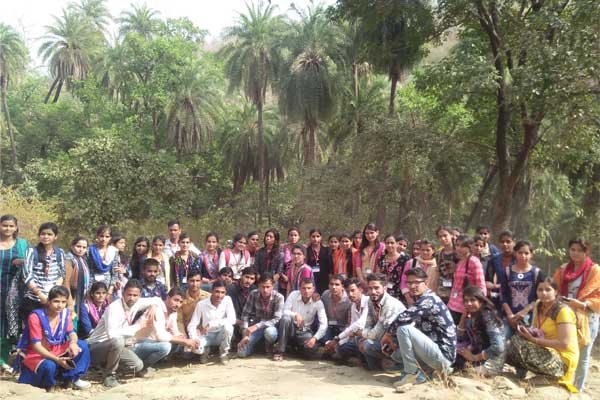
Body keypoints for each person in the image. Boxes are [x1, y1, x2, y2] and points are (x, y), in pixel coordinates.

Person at [380, 268, 456, 387]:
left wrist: (388, 334)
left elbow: (403, 318)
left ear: (425, 283)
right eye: (409, 283)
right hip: (432, 351)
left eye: (416, 282)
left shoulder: (429, 300)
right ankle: (425, 371)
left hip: (443, 356)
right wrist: (394, 340)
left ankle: (412, 374)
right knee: (395, 353)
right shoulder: (420, 299)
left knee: (403, 329)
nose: (412, 286)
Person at [87, 279, 168, 388]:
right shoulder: (114, 308)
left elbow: (157, 299)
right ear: (123, 293)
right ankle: (109, 375)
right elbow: (112, 335)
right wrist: (138, 326)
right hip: (97, 347)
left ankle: (108, 367)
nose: (132, 298)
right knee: (118, 341)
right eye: (129, 295)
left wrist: (153, 306)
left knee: (138, 365)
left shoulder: (137, 303)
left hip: (117, 346)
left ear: (140, 295)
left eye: (135, 295)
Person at [506, 278, 579, 393]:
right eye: (540, 290)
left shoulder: (563, 311)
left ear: (556, 291)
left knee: (519, 344)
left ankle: (555, 377)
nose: (544, 293)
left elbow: (564, 344)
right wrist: (525, 330)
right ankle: (531, 376)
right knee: (512, 343)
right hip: (546, 351)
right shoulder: (539, 306)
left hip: (562, 359)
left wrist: (533, 339)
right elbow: (538, 331)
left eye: (548, 290)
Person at [16, 286, 91, 391]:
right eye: (56, 301)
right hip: (38, 354)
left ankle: (70, 379)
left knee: (81, 345)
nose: (60, 305)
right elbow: (37, 346)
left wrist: (73, 343)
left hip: (57, 349)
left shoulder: (65, 314)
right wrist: (57, 360)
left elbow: (72, 333)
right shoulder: (36, 317)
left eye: (63, 302)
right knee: (49, 365)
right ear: (49, 301)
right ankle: (49, 384)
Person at [553, 238, 600, 392]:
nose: (575, 253)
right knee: (564, 351)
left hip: (587, 318)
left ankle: (577, 390)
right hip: (566, 317)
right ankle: (562, 385)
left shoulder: (594, 270)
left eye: (579, 250)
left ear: (586, 252)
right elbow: (554, 289)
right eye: (572, 249)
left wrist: (584, 304)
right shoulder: (563, 269)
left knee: (583, 356)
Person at [359, 273, 405, 370]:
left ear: (385, 288)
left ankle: (398, 364)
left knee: (367, 345)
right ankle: (375, 368)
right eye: (370, 288)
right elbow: (368, 323)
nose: (373, 292)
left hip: (396, 341)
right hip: (382, 337)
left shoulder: (390, 304)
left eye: (376, 288)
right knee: (360, 340)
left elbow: (378, 332)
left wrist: (364, 335)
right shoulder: (370, 301)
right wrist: (364, 335)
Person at [456, 286, 505, 376]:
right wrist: (463, 316)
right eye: (466, 301)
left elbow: (498, 347)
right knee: (452, 355)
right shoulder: (472, 315)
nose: (468, 303)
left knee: (459, 364)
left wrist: (474, 357)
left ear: (481, 301)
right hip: (478, 354)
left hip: (491, 361)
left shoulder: (488, 317)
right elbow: (460, 337)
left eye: (472, 300)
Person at [274, 278, 327, 361]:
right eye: (304, 288)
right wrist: (295, 315)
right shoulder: (293, 295)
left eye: (309, 288)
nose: (306, 291)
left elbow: (324, 324)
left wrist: (315, 338)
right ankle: (280, 351)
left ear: (313, 289)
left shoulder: (317, 302)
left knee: (311, 350)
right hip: (290, 329)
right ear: (299, 288)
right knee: (285, 318)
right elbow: (284, 311)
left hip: (304, 331)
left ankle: (297, 349)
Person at [22, 222, 66, 323]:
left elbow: (61, 274)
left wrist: (53, 294)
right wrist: (40, 294)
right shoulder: (32, 251)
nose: (46, 237)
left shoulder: (60, 253)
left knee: (50, 328)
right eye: (43, 234)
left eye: (49, 234)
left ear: (55, 236)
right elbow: (26, 275)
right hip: (33, 299)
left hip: (52, 300)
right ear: (39, 235)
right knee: (33, 328)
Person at [0, 214, 27, 372]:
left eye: (11, 226)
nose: (8, 228)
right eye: (4, 225)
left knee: (10, 326)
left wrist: (22, 261)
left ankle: (4, 358)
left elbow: (31, 262)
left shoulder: (22, 245)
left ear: (16, 227)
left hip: (14, 292)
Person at [501, 240, 544, 335]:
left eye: (526, 253)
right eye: (520, 253)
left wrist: (525, 311)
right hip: (509, 316)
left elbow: (539, 297)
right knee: (502, 341)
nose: (523, 256)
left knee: (526, 341)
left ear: (531, 254)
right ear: (515, 253)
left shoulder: (537, 273)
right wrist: (509, 315)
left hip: (529, 317)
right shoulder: (507, 271)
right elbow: (503, 294)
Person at [187, 280, 236, 363]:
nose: (219, 295)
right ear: (211, 291)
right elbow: (192, 324)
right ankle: (205, 350)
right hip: (206, 335)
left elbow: (232, 319)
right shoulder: (201, 304)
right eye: (217, 292)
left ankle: (224, 352)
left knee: (229, 327)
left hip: (221, 334)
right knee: (196, 349)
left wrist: (211, 324)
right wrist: (194, 338)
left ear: (225, 293)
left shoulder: (227, 300)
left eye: (222, 292)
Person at [237, 273, 284, 358]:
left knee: (270, 333)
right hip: (255, 327)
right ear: (258, 286)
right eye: (263, 287)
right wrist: (245, 334)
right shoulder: (253, 294)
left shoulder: (279, 297)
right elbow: (245, 314)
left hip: (270, 327)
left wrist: (257, 326)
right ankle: (254, 347)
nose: (265, 290)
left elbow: (277, 319)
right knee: (241, 353)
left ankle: (269, 347)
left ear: (273, 286)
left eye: (268, 287)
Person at [326, 277, 369, 363]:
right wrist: (338, 343)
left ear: (360, 289)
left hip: (370, 337)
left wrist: (337, 339)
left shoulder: (368, 301)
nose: (350, 294)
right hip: (358, 338)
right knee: (341, 348)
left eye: (353, 290)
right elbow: (351, 329)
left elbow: (359, 324)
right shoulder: (353, 306)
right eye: (348, 291)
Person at [447, 236, 487, 324]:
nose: (459, 248)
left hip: (465, 307)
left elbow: (481, 286)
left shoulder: (474, 262)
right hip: (453, 304)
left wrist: (478, 306)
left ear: (470, 247)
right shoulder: (460, 262)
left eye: (463, 246)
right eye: (457, 245)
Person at [400, 239, 438, 304]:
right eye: (422, 250)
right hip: (413, 298)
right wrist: (408, 297)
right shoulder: (412, 263)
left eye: (428, 250)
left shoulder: (437, 264)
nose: (425, 252)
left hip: (432, 299)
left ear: (433, 251)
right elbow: (403, 280)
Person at [176, 270, 210, 337]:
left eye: (197, 281)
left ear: (201, 282)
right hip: (187, 333)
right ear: (187, 281)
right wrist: (183, 335)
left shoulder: (208, 297)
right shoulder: (181, 299)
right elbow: (179, 321)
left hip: (206, 332)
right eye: (192, 281)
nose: (194, 284)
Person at [488, 230, 516, 312]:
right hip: (498, 297)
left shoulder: (519, 258)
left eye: (508, 242)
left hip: (515, 297)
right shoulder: (494, 259)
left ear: (514, 242)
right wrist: (493, 286)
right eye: (502, 242)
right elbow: (488, 278)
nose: (505, 244)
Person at [319, 275, 351, 346]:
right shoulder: (325, 294)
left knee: (344, 343)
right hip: (329, 326)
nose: (333, 287)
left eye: (337, 284)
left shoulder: (348, 299)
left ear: (342, 286)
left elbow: (350, 322)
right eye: (331, 284)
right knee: (323, 339)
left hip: (343, 328)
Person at [227, 267, 257, 343]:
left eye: (252, 279)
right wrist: (237, 320)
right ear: (241, 276)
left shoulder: (254, 289)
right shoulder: (231, 289)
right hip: (235, 320)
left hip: (248, 321)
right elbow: (228, 309)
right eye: (247, 277)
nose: (249, 281)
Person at [64, 236, 91, 320]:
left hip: (81, 296)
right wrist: (69, 302)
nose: (81, 249)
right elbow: (66, 282)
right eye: (78, 246)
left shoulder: (83, 259)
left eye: (84, 247)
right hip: (72, 296)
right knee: (71, 320)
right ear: (72, 246)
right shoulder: (69, 259)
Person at [87, 225, 118, 296]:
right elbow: (88, 270)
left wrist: (110, 290)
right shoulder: (90, 250)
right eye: (101, 236)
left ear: (110, 238)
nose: (104, 239)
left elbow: (114, 272)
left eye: (107, 236)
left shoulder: (113, 251)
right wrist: (88, 290)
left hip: (107, 285)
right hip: (91, 284)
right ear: (97, 236)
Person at [377, 234, 410, 299]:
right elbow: (378, 275)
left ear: (397, 244)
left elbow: (406, 277)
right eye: (387, 243)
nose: (389, 245)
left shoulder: (405, 259)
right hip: (383, 292)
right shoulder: (381, 258)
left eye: (392, 243)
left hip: (398, 293)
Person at [305, 228, 332, 294]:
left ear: (321, 237)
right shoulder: (306, 251)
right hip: (311, 279)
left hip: (325, 279)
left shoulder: (327, 250)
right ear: (310, 237)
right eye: (313, 237)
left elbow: (330, 267)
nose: (315, 239)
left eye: (317, 236)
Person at [435, 225, 458, 303]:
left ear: (451, 235)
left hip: (457, 290)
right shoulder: (438, 254)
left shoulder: (458, 252)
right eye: (440, 237)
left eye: (445, 235)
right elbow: (438, 272)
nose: (443, 238)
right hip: (442, 291)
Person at [280, 228, 301, 296]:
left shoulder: (303, 248)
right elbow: (278, 264)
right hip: (284, 279)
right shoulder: (282, 247)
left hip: (298, 279)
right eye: (291, 235)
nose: (293, 237)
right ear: (288, 236)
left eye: (295, 235)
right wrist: (282, 275)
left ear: (299, 237)